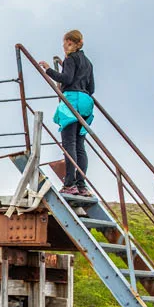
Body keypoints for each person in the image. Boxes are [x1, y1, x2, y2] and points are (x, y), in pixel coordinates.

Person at [39, 30, 95, 196]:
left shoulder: (71, 59)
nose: (64, 46)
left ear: (72, 43)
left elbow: (67, 78)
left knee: (69, 143)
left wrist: (48, 70)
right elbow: (92, 88)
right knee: (80, 145)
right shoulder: (88, 62)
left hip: (72, 101)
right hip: (86, 102)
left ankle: (70, 184)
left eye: (67, 43)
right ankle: (81, 185)